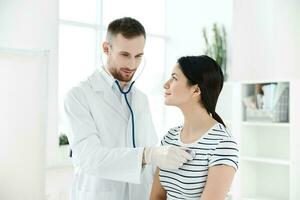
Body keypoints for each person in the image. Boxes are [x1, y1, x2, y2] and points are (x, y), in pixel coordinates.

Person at [64, 17, 193, 200]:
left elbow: (151, 154)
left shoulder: (140, 98)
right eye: (125, 55)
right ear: (106, 49)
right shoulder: (79, 95)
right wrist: (147, 154)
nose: (132, 65)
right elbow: (88, 157)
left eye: (138, 56)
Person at [150, 55, 239, 200]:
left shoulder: (222, 144)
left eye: (174, 78)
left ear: (196, 91)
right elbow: (156, 197)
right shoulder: (170, 137)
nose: (166, 84)